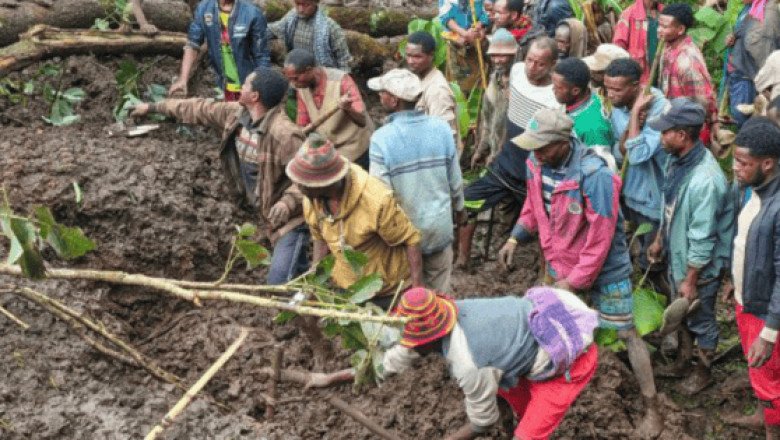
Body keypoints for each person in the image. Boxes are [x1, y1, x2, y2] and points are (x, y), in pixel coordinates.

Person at [497, 108, 664, 437]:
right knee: (545, 329)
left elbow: (600, 237)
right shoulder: (536, 163)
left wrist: (575, 282)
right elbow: (534, 206)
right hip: (559, 262)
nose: (536, 154)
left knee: (626, 333)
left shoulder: (594, 174)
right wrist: (515, 237)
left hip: (604, 269)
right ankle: (543, 395)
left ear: (563, 142)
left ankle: (652, 408)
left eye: (543, 147)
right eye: (533, 147)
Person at [306, 287, 600, 440]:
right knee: (510, 400)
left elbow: (481, 423)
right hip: (522, 346)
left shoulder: (470, 362)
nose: (408, 344)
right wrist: (329, 378)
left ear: (427, 339)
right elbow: (387, 365)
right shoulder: (447, 315)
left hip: (568, 363)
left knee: (527, 436)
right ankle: (518, 421)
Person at [130, 68, 309, 285]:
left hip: (291, 221)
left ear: (254, 97)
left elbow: (309, 179)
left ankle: (301, 304)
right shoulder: (236, 115)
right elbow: (198, 108)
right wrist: (151, 107)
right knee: (294, 273)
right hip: (265, 214)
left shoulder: (285, 135)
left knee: (279, 282)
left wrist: (288, 203)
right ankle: (305, 292)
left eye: (246, 85)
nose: (241, 87)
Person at [646, 98, 734, 394]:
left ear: (682, 136)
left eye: (664, 132)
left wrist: (691, 279)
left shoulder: (705, 181)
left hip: (700, 265)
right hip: (680, 254)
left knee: (701, 317)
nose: (660, 137)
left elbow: (702, 236)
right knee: (683, 312)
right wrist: (660, 238)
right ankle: (684, 360)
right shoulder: (677, 161)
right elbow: (669, 204)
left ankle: (703, 370)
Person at [286, 135, 423, 308]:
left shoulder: (375, 200)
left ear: (322, 184)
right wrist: (314, 280)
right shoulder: (312, 200)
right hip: (347, 289)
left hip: (387, 288)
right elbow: (320, 237)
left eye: (302, 184)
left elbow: (411, 240)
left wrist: (417, 292)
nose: (298, 188)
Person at [367, 69, 465, 292]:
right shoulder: (441, 129)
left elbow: (381, 196)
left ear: (394, 100)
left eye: (382, 93)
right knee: (440, 297)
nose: (379, 97)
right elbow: (455, 182)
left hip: (403, 236)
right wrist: (460, 214)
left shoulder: (381, 139)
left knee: (409, 300)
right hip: (439, 228)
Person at [724, 119, 780, 439]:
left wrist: (769, 333)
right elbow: (747, 242)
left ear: (768, 163)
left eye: (743, 162)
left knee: (769, 377)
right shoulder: (753, 191)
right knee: (761, 373)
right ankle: (765, 415)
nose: (735, 168)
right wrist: (736, 278)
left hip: (765, 313)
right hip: (749, 300)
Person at [457, 29, 525, 269]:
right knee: (469, 202)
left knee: (514, 216)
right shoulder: (493, 82)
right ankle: (463, 259)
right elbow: (487, 119)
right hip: (497, 163)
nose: (498, 60)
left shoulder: (523, 85)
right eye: (495, 56)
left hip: (517, 163)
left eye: (504, 56)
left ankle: (511, 259)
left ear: (515, 56)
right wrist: (481, 148)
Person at [604, 58, 669, 291]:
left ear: (635, 86)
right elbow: (620, 154)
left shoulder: (658, 108)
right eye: (608, 88)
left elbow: (639, 154)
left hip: (653, 199)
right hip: (631, 194)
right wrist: (631, 125)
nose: (611, 94)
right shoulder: (619, 106)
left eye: (617, 89)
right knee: (637, 251)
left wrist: (635, 117)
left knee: (653, 262)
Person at [282, 49, 373, 167]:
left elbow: (362, 120)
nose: (292, 84)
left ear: (309, 70)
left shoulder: (341, 81)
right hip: (332, 150)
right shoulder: (301, 87)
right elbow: (303, 124)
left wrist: (347, 108)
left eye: (295, 78)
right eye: (290, 79)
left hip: (356, 148)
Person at [170, 0, 270, 101]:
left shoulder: (252, 13)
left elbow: (261, 56)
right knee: (227, 111)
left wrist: (261, 87)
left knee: (245, 113)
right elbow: (192, 44)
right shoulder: (204, 8)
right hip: (223, 83)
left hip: (247, 84)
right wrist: (183, 79)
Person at [657, 3, 719, 146]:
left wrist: (712, 122)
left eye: (665, 27)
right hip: (674, 121)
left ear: (680, 29)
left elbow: (701, 101)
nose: (659, 30)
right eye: (659, 25)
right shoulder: (667, 47)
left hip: (688, 129)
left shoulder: (687, 61)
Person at [551, 57, 615, 169]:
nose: (553, 89)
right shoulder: (590, 97)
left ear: (575, 90)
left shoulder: (592, 129)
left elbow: (604, 169)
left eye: (558, 87)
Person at [725, 1, 780, 127]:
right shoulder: (753, 6)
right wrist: (735, 37)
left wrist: (765, 86)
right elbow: (745, 32)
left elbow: (763, 50)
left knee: (745, 120)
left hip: (747, 77)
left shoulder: (768, 13)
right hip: (740, 71)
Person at [405, 31, 460, 150]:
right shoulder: (420, 79)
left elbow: (446, 135)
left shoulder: (437, 89)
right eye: (408, 55)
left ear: (431, 56)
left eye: (417, 57)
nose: (410, 61)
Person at [268, 0, 352, 71]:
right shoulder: (291, 18)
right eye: (297, 4)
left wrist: (342, 81)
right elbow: (273, 29)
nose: (300, 9)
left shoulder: (330, 27)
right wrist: (256, 31)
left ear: (315, 2)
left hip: (322, 75)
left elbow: (344, 59)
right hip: (297, 72)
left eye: (305, 5)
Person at [613, 0, 662, 84]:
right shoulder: (629, 14)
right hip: (640, 73)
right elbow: (618, 46)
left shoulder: (664, 12)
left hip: (661, 70)